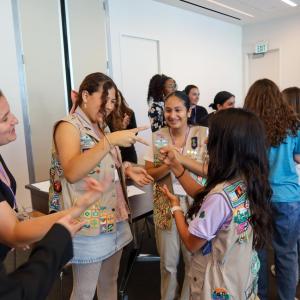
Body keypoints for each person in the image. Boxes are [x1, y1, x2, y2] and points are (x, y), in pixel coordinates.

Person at [49, 72, 153, 300]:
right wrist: (111, 141)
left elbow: (100, 163)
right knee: (85, 291)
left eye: (113, 100)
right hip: (88, 222)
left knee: (109, 281)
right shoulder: (68, 126)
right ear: (85, 95)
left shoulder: (100, 126)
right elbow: (73, 171)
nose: (108, 106)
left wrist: (126, 168)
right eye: (104, 99)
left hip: (113, 215)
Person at [0, 89, 106, 299]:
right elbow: (13, 233)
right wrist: (73, 213)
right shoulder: (67, 127)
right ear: (85, 96)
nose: (16, 120)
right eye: (5, 119)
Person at [160, 108, 272, 299]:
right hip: (239, 279)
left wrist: (176, 207)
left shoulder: (219, 197)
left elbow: (191, 242)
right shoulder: (245, 181)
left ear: (227, 145)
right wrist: (177, 168)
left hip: (215, 286)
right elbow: (206, 199)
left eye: (212, 137)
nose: (205, 142)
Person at [144, 91, 207, 300]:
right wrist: (168, 165)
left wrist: (178, 159)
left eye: (178, 110)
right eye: (168, 110)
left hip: (196, 206)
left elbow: (208, 170)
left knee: (193, 262)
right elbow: (149, 173)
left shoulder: (203, 134)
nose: (172, 115)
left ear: (189, 111)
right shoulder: (157, 137)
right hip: (166, 205)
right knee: (168, 264)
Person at [244, 79, 300, 300]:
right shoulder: (293, 124)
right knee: (287, 254)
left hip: (258, 196)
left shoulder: (248, 127)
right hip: (289, 197)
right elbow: (297, 157)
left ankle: (261, 295)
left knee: (257, 252)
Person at [107, 90, 138, 163]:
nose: (116, 101)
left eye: (118, 97)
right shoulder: (107, 114)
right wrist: (121, 128)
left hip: (128, 152)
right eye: (114, 99)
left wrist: (125, 129)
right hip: (113, 154)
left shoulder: (129, 112)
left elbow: (135, 134)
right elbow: (108, 136)